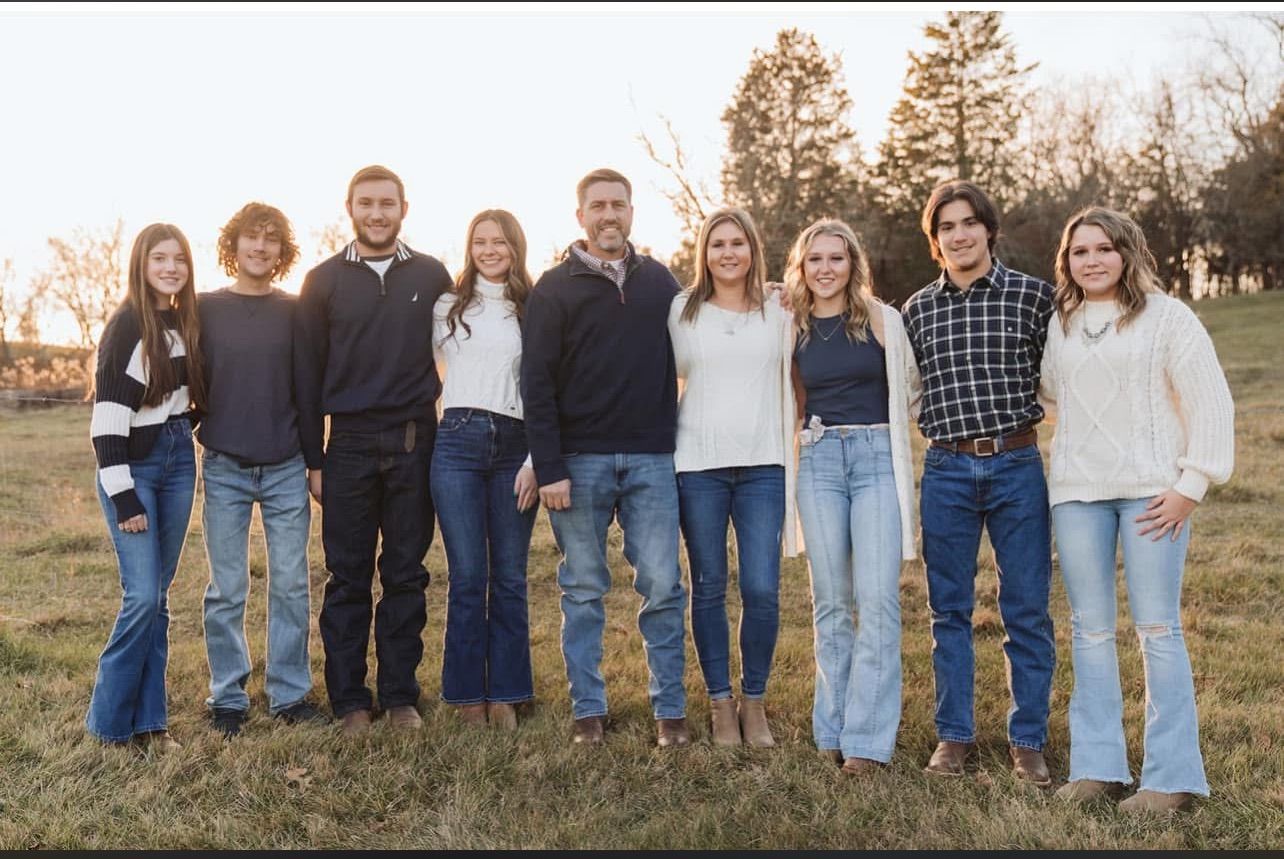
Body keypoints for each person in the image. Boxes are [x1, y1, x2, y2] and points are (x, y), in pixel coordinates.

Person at [1041, 207, 1234, 813]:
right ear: (1067, 261)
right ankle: (1097, 766)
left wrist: (1191, 484)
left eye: (1104, 248)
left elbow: (1212, 401)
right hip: (1076, 493)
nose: (1092, 260)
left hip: (1153, 494)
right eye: (1079, 252)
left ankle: (1171, 779)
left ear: (1127, 252)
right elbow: (1050, 394)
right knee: (1090, 631)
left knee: (1157, 629)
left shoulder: (1168, 317)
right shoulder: (1060, 322)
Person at [520, 167, 689, 748]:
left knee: (664, 586)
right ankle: (588, 711)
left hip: (651, 460)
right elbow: (536, 383)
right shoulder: (553, 288)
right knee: (584, 588)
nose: (609, 214)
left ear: (632, 213)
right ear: (581, 217)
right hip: (579, 462)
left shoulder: (661, 282)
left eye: (618, 204)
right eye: (598, 206)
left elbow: (707, 323)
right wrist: (549, 467)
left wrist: (770, 294)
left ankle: (670, 711)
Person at [902, 180, 1057, 785]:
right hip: (945, 468)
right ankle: (955, 735)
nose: (959, 235)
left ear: (988, 229)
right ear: (935, 242)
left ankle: (1027, 740)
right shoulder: (917, 310)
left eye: (969, 223)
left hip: (1017, 465)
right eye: (946, 228)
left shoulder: (1033, 298)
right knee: (949, 611)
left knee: (1025, 608)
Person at [294, 165, 453, 735]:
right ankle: (351, 702)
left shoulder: (433, 274)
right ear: (350, 209)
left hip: (416, 439)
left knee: (407, 572)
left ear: (404, 209)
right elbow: (307, 377)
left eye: (387, 202)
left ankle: (401, 696)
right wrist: (315, 458)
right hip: (350, 445)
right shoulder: (323, 281)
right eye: (366, 203)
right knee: (347, 576)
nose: (377, 212)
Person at [787, 220, 920, 775]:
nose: (825, 269)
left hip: (875, 461)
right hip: (817, 460)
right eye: (814, 259)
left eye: (836, 259)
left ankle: (867, 740)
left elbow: (910, 388)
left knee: (878, 599)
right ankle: (832, 726)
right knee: (832, 602)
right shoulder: (787, 325)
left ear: (852, 264)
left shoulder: (883, 321)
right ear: (801, 266)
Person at [668, 207, 798, 748]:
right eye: (717, 243)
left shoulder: (779, 309)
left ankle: (755, 701)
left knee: (762, 587)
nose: (728, 253)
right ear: (704, 252)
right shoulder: (682, 310)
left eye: (737, 243)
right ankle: (720, 702)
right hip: (698, 463)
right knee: (709, 586)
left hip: (764, 464)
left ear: (753, 250)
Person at [197, 203, 328, 739]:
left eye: (271, 240)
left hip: (284, 465)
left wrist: (314, 461)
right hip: (225, 462)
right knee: (227, 587)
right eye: (251, 238)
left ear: (282, 252)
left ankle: (289, 694)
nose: (261, 247)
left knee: (292, 584)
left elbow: (310, 388)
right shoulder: (203, 307)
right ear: (234, 246)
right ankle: (227, 695)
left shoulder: (296, 310)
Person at [86, 223, 208, 752]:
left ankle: (151, 726)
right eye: (159, 258)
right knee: (140, 598)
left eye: (179, 258)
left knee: (157, 599)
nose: (171, 268)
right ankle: (109, 725)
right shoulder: (127, 326)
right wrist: (124, 496)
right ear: (141, 264)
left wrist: (186, 427)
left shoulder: (184, 322)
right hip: (132, 468)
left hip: (180, 462)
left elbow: (186, 399)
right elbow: (106, 423)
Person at [431, 209, 540, 730]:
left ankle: (509, 692)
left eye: (500, 242)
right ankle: (466, 694)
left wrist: (537, 459)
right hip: (456, 443)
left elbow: (547, 388)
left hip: (516, 447)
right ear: (469, 247)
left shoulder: (533, 308)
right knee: (469, 575)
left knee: (511, 576)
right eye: (480, 241)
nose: (490, 250)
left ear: (516, 248)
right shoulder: (447, 306)